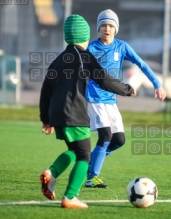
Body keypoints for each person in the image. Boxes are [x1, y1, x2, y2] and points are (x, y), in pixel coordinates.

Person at [39, 14, 136, 209]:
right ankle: (70, 197)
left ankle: (51, 174)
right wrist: (127, 89)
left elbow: (45, 91)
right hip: (74, 114)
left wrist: (46, 119)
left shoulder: (58, 60)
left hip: (58, 115)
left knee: (75, 151)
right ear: (85, 36)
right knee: (85, 156)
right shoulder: (84, 57)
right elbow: (104, 80)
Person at [85, 9, 167, 188]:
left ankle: (90, 161)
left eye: (111, 25)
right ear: (98, 28)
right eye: (104, 25)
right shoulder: (91, 48)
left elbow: (142, 64)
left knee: (119, 140)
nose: (107, 29)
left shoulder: (122, 47)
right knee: (105, 135)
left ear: (116, 29)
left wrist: (157, 84)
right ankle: (92, 177)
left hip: (111, 101)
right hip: (95, 98)